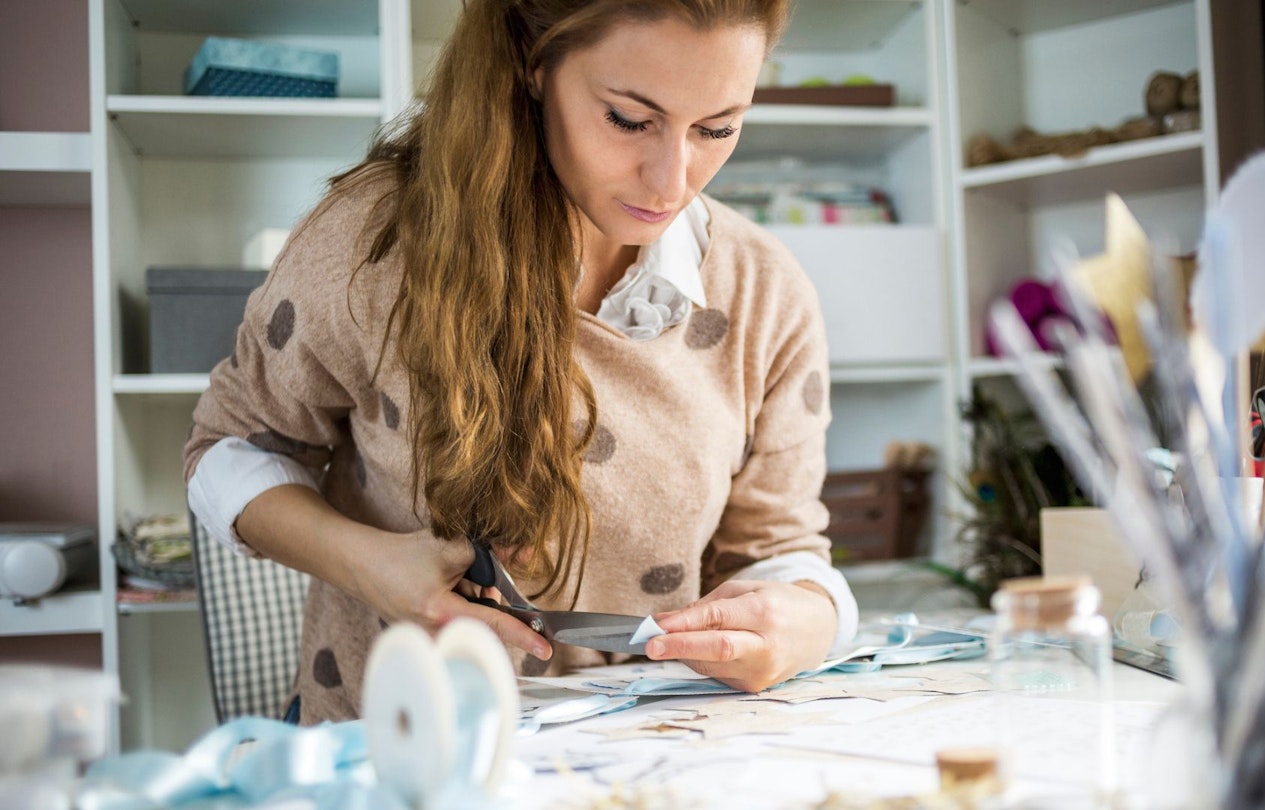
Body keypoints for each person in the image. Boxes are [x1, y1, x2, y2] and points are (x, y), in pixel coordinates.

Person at [185, 0, 858, 725]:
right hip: (397, 747)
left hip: (648, 759)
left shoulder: (765, 290)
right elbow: (225, 452)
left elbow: (781, 548)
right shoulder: (373, 241)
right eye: (630, 120)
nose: (672, 180)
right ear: (535, 68)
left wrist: (810, 617)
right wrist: (372, 566)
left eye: (717, 128)